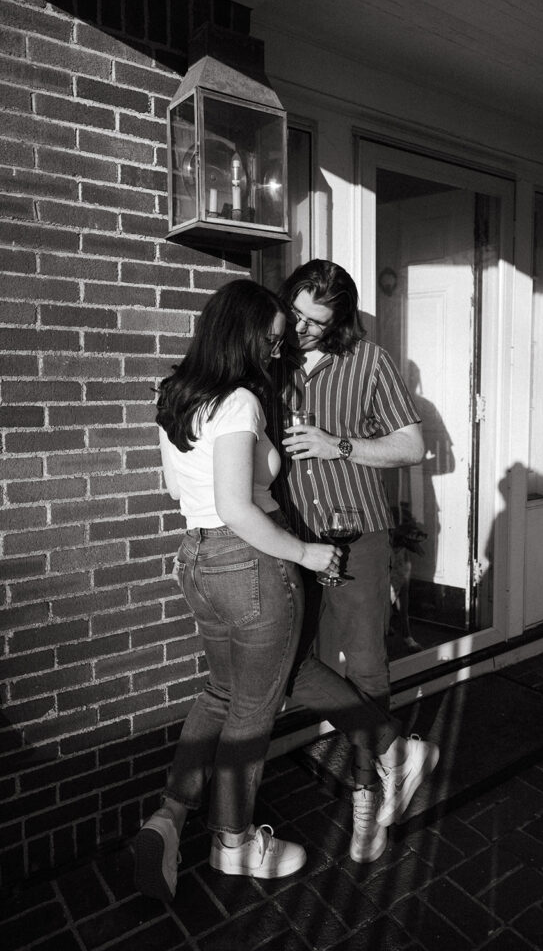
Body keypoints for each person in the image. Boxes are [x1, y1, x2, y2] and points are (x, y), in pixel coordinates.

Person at [133, 278, 438, 902]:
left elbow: (178, 492)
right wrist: (304, 550)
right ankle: (235, 843)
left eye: (296, 332)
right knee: (257, 704)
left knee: (232, 688)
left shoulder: (174, 393)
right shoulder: (242, 400)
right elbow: (237, 506)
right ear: (244, 333)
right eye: (274, 336)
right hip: (252, 560)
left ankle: (170, 813)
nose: (281, 348)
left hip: (195, 559)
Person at [269, 259, 434, 863]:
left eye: (318, 321)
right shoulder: (269, 355)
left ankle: (369, 797)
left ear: (337, 320)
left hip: (356, 534)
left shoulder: (368, 361)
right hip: (289, 539)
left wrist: (337, 445)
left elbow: (413, 445)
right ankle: (398, 750)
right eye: (298, 314)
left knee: (366, 667)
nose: (303, 329)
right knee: (291, 664)